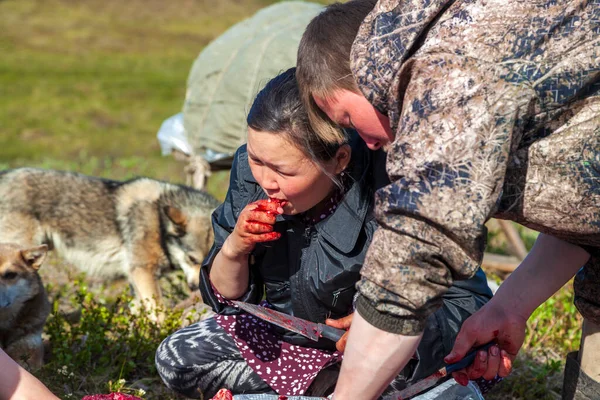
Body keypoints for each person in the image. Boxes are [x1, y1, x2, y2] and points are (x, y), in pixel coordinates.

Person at [296, 0, 600, 398]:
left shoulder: (448, 73)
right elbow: (581, 196)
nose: (365, 141)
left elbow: (413, 254)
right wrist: (510, 307)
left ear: (365, 80)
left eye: (349, 119)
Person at [155, 68, 494, 399]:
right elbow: (227, 300)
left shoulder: (397, 185)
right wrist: (235, 248)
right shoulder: (251, 177)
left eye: (283, 170)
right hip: (300, 342)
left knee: (448, 383)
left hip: (393, 350)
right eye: (256, 159)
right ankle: (328, 389)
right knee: (177, 358)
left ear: (340, 159)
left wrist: (379, 324)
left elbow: (467, 301)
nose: (266, 181)